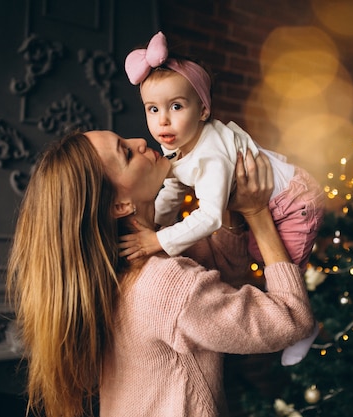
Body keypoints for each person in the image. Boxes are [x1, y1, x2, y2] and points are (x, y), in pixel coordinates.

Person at [6, 129, 315, 417]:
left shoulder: (128, 266)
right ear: (120, 205)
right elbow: (292, 319)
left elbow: (227, 274)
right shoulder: (164, 284)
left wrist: (227, 199)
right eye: (127, 154)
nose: (140, 141)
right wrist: (258, 213)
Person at [123, 31, 323, 365]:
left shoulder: (211, 155)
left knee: (284, 268)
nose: (163, 121)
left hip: (295, 202)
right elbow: (174, 188)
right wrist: (154, 222)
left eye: (176, 106)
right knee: (260, 254)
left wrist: (155, 240)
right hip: (272, 202)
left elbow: (212, 216)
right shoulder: (175, 146)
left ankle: (307, 328)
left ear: (203, 110)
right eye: (152, 109)